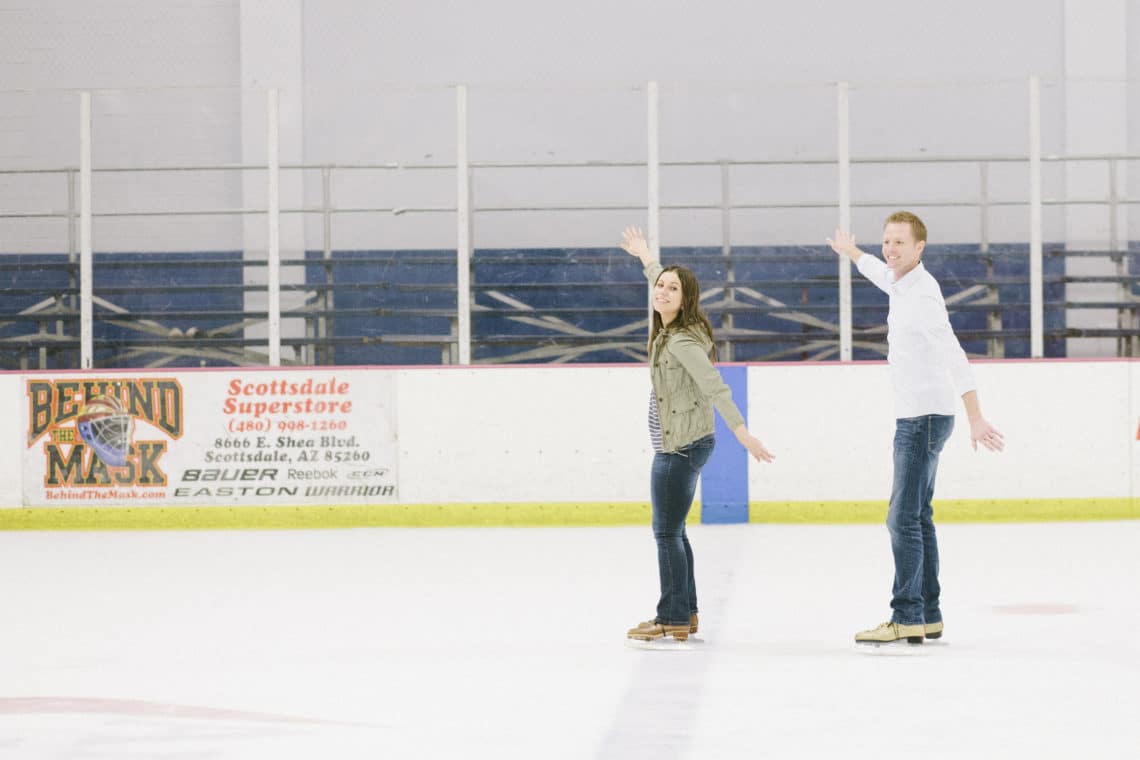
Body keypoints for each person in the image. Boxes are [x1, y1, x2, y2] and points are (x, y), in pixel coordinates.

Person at [827, 211, 1004, 645]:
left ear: (919, 248)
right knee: (918, 518)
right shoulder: (900, 281)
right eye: (887, 241)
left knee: (901, 518)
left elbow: (953, 353)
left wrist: (976, 416)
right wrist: (853, 252)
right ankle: (928, 612)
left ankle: (906, 614)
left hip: (923, 419)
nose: (889, 250)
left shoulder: (922, 295)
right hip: (923, 416)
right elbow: (876, 270)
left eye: (899, 243)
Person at [619, 226, 774, 643]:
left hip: (679, 448)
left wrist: (743, 434)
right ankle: (686, 614)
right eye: (661, 286)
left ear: (685, 299)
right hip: (683, 443)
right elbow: (656, 277)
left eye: (673, 288)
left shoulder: (683, 342)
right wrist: (646, 256)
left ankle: (670, 617)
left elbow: (715, 386)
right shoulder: (670, 327)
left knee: (666, 532)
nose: (663, 291)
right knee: (675, 530)